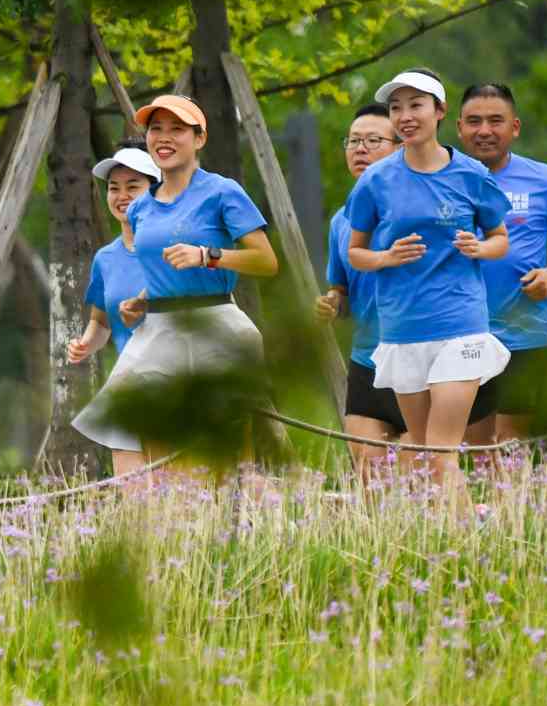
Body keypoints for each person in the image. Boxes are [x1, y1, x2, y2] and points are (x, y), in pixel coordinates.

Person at [74, 91, 278, 463]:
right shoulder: (140, 208)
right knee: (149, 445)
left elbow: (266, 262)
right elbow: (159, 272)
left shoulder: (222, 192)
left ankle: (241, 516)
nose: (163, 137)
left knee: (225, 454)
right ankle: (164, 519)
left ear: (199, 138)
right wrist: (143, 299)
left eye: (177, 129)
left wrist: (207, 256)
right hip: (157, 331)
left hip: (214, 323)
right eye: (156, 129)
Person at [340, 70, 511, 491]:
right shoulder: (375, 181)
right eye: (396, 108)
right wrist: (386, 257)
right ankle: (442, 544)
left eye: (415, 105)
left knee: (439, 454)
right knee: (420, 453)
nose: (405, 116)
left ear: (439, 111)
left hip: (461, 326)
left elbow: (500, 239)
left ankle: (466, 552)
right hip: (402, 331)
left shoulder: (471, 174)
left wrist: (479, 248)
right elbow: (355, 253)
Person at [456, 81, 547, 451]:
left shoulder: (546, 181)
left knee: (510, 443)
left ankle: (511, 508)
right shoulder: (443, 179)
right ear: (458, 128)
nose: (484, 131)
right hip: (457, 329)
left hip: (524, 332)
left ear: (515, 127)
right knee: (469, 443)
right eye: (474, 121)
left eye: (495, 121)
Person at [315, 101, 404, 471]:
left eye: (372, 140)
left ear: (399, 148)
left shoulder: (420, 208)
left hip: (421, 354)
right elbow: (342, 288)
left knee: (421, 473)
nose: (360, 149)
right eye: (352, 141)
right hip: (367, 358)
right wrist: (332, 301)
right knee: (370, 473)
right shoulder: (342, 220)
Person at [64, 141, 161, 476]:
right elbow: (101, 323)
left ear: (155, 190)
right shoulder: (105, 258)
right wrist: (85, 344)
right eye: (114, 188)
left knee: (178, 499)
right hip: (128, 385)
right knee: (133, 496)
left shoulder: (173, 247)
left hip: (176, 384)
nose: (122, 196)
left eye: (133, 187)